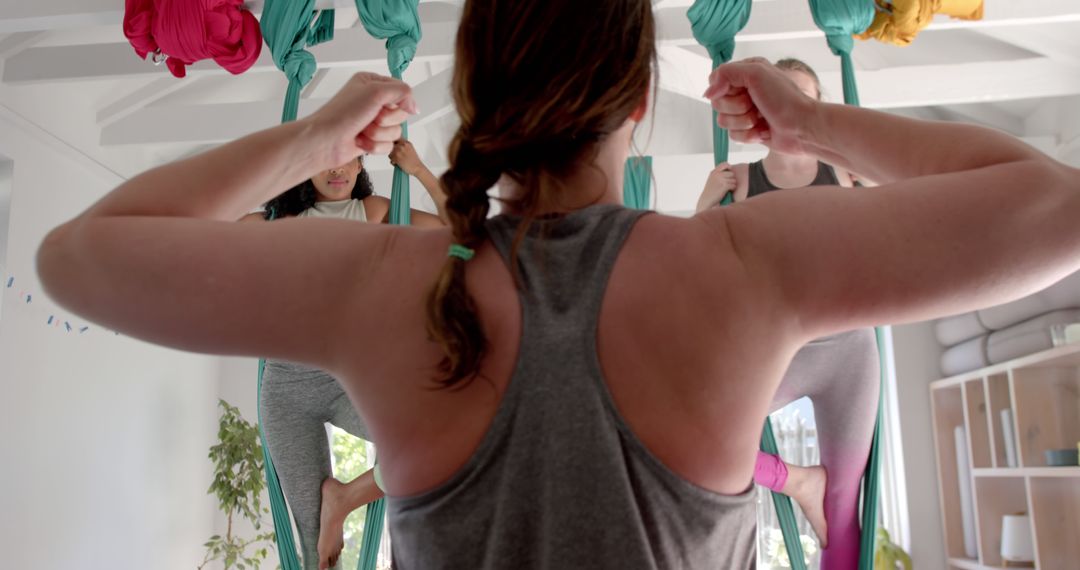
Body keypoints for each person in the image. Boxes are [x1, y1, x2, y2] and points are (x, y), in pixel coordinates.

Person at [37, 1, 1080, 568]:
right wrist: (817, 125)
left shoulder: (385, 282)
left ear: (475, 97)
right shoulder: (743, 262)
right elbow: (1056, 205)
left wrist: (309, 137)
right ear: (636, 100)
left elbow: (79, 255)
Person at [697, 58, 880, 567]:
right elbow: (695, 270)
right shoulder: (738, 181)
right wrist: (707, 204)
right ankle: (797, 482)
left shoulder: (845, 168)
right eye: (779, 99)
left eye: (801, 100)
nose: (790, 112)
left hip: (849, 350)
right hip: (778, 352)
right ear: (759, 113)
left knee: (841, 517)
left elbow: (909, 210)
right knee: (703, 444)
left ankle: (815, 492)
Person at [243, 154, 444, 570]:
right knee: (316, 551)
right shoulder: (275, 222)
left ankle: (346, 497)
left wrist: (419, 171)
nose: (336, 170)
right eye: (323, 159)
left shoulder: (373, 212)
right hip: (285, 391)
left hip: (348, 380)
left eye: (346, 160)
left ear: (360, 164)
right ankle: (329, 514)